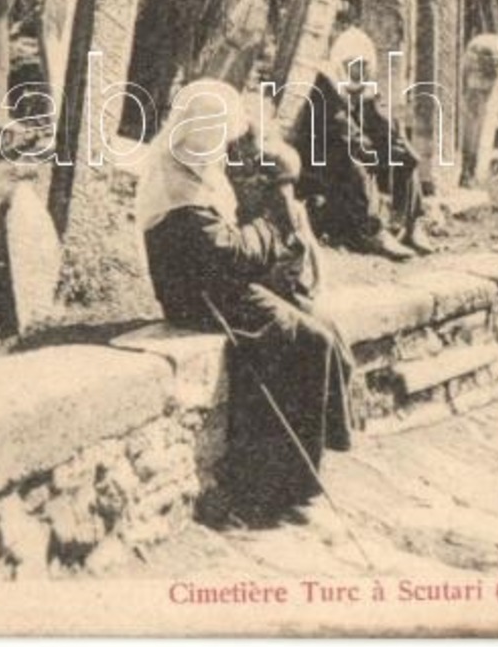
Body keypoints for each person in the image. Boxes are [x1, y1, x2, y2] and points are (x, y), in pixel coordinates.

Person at [138, 80, 354, 519]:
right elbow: (230, 253)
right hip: (199, 297)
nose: (221, 146)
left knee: (324, 327)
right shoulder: (175, 183)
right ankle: (285, 489)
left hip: (223, 285)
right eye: (216, 136)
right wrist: (272, 225)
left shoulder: (195, 168)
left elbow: (236, 244)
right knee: (306, 341)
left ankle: (313, 457)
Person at [293, 27, 434, 261]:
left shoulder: (363, 88)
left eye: (363, 66)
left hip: (354, 150)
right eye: (353, 66)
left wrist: (395, 145)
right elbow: (344, 134)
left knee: (403, 155)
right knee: (353, 162)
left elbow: (377, 124)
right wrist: (376, 152)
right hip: (321, 164)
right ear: (341, 64)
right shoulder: (325, 88)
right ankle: (371, 231)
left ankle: (412, 222)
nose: (358, 72)